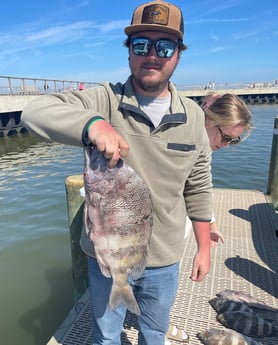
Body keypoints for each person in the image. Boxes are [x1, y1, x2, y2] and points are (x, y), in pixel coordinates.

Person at [22, 1, 213, 344]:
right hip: (106, 256)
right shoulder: (104, 99)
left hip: (165, 258)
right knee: (107, 336)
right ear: (128, 53)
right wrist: (93, 123)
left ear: (178, 56)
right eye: (141, 45)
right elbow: (35, 113)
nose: (152, 55)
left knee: (154, 333)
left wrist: (204, 248)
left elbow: (198, 187)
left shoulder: (195, 118)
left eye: (164, 46)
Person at [165, 92, 253, 344]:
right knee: (158, 284)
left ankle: (159, 320)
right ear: (208, 119)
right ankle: (158, 325)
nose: (226, 145)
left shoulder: (204, 147)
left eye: (233, 141)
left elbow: (199, 189)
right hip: (160, 233)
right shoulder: (180, 142)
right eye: (225, 137)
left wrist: (210, 222)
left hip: (177, 232)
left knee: (166, 284)